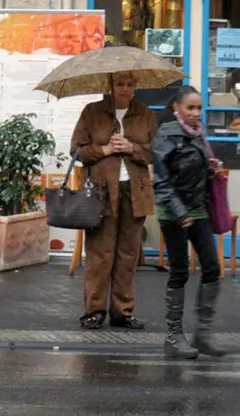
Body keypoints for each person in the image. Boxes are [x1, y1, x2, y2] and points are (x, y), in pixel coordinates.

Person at [70, 72, 157, 330]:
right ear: (109, 86)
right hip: (101, 192)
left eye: (130, 84)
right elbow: (76, 149)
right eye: (119, 84)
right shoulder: (92, 112)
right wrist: (105, 149)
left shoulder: (146, 115)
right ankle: (94, 311)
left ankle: (123, 312)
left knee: (128, 254)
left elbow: (156, 152)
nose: (125, 89)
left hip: (135, 191)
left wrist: (132, 148)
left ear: (136, 86)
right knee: (99, 254)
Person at [152, 85, 226, 359]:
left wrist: (211, 168)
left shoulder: (198, 136)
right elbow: (161, 181)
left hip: (197, 210)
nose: (196, 113)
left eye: (199, 108)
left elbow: (194, 172)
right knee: (180, 271)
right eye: (190, 108)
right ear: (177, 109)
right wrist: (179, 212)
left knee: (211, 267)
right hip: (174, 213)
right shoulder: (166, 136)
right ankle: (173, 338)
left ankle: (203, 335)